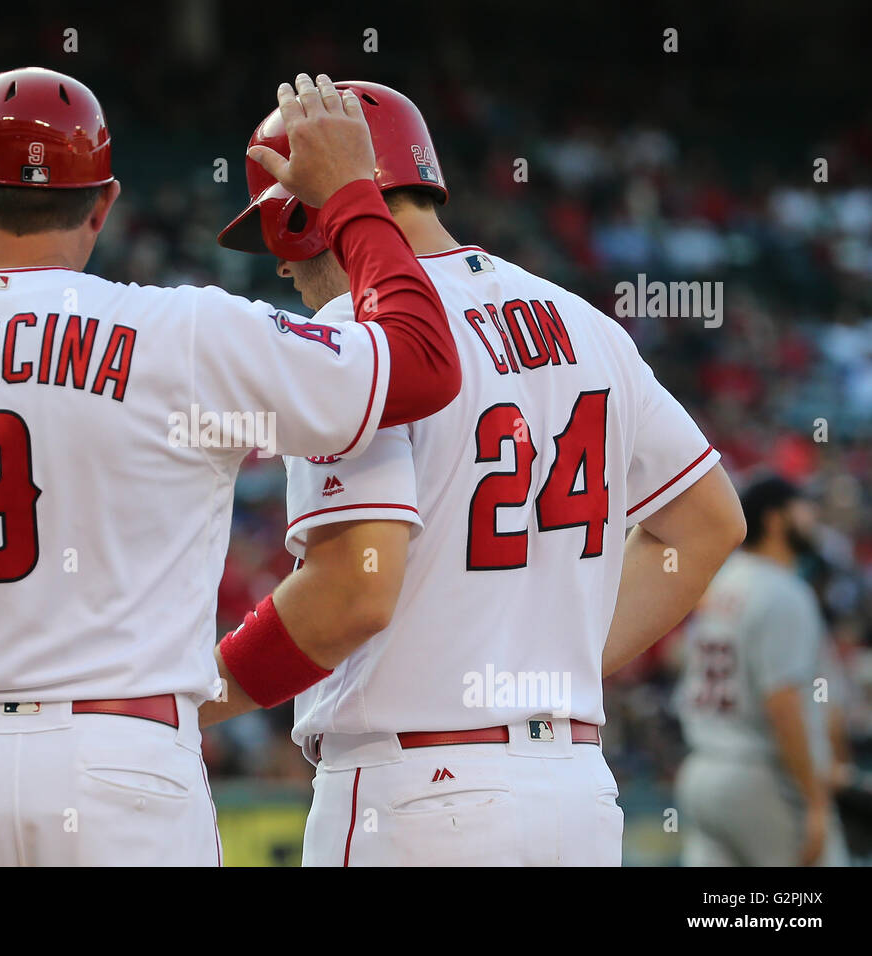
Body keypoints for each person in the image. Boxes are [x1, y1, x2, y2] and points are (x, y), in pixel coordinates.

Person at [0, 68, 464, 866]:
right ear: (104, 205)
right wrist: (352, 196)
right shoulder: (185, 331)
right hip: (128, 764)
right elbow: (426, 362)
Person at [201, 80, 745, 866]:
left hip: (418, 793)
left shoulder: (356, 337)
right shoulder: (583, 320)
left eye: (277, 237)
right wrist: (549, 665)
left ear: (306, 209)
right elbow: (708, 524)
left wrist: (190, 698)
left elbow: (350, 593)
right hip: (574, 792)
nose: (283, 271)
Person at [674, 474, 849, 866]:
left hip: (703, 768)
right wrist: (815, 800)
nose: (812, 517)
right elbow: (782, 702)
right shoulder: (783, 592)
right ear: (774, 520)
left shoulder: (718, 586)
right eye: (802, 508)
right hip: (761, 777)